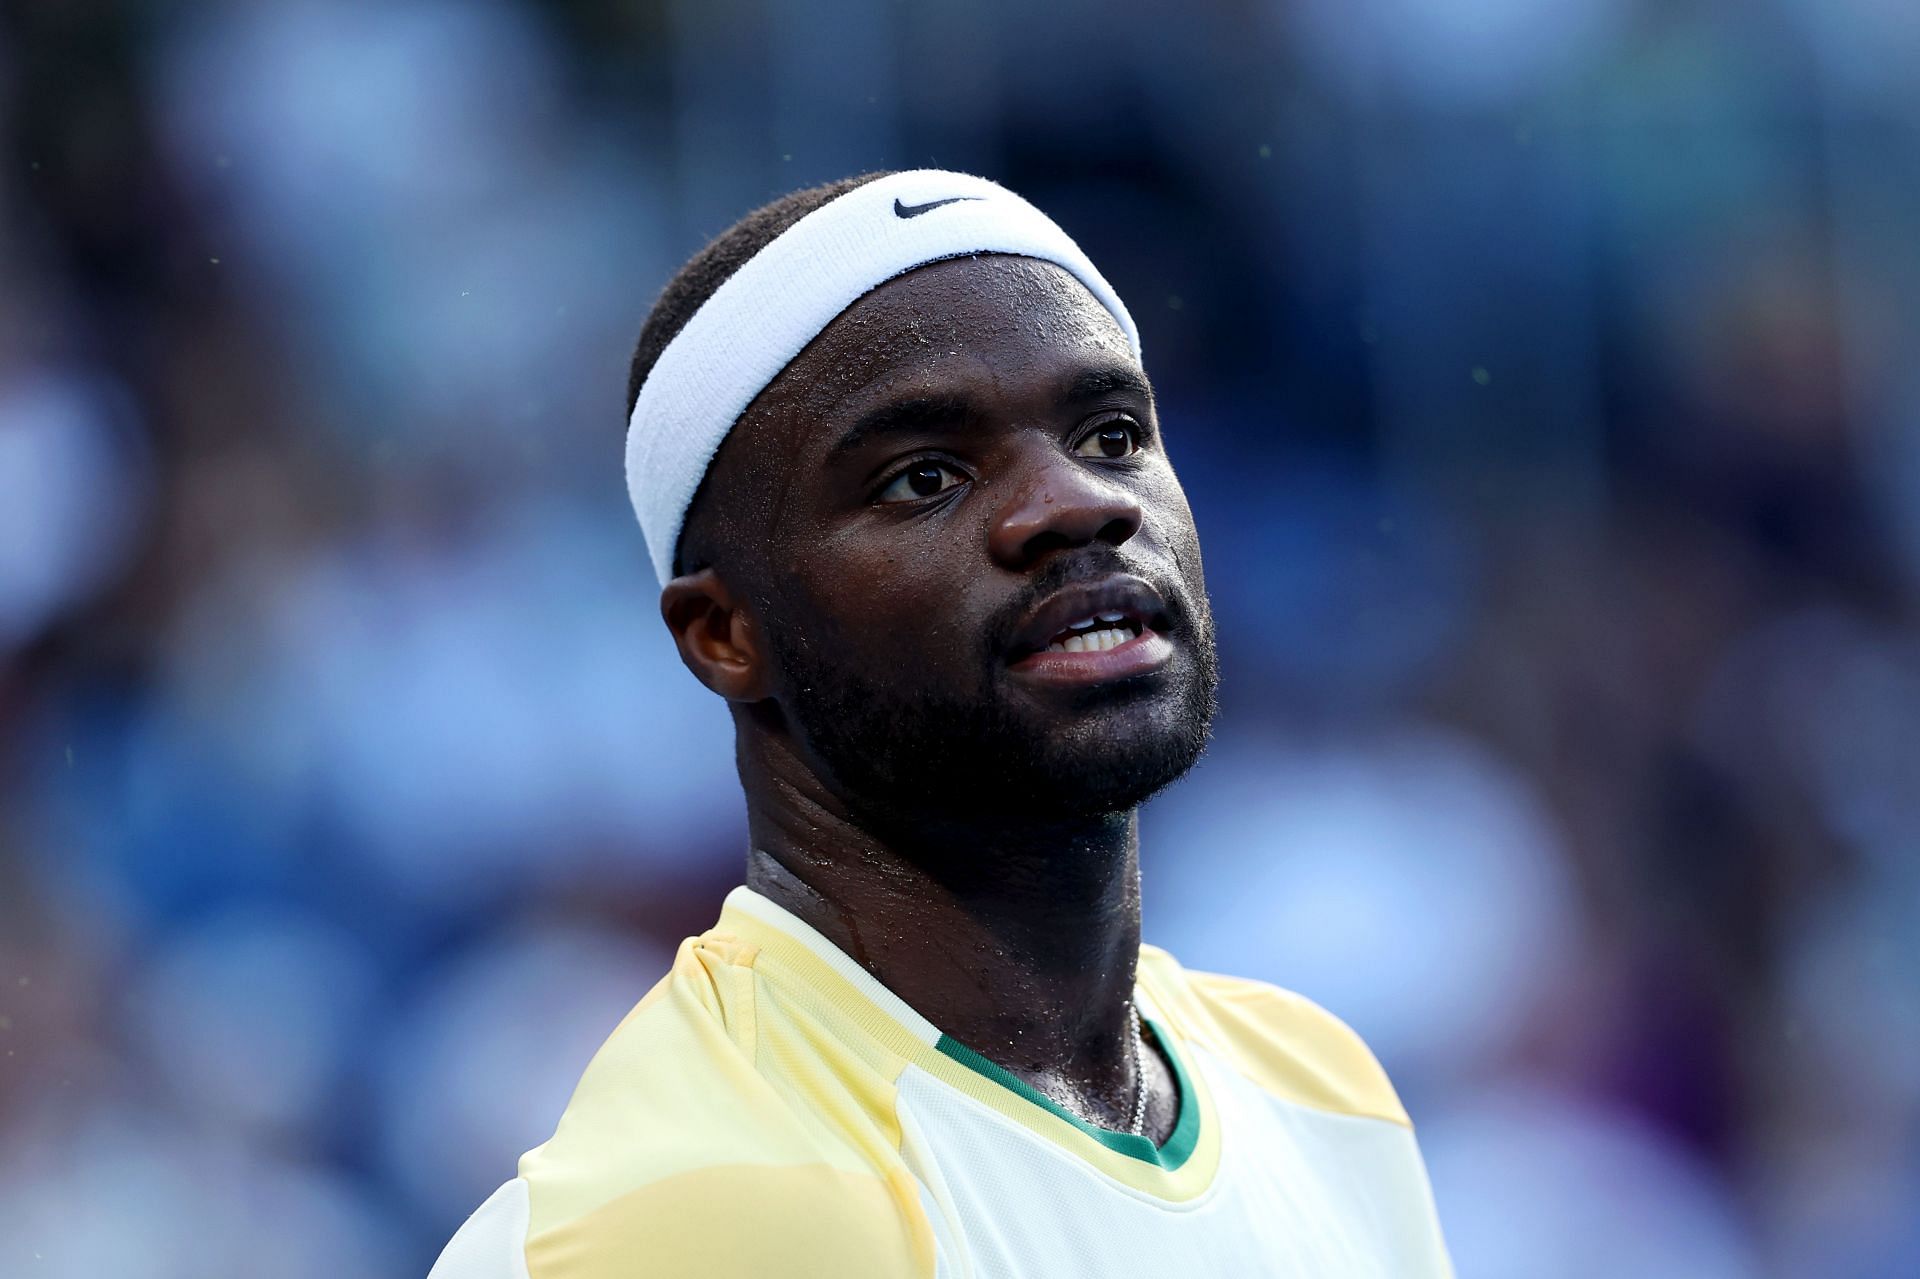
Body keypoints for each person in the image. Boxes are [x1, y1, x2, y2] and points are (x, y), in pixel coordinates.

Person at [429, 169, 1452, 1277]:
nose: (1078, 502)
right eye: (924, 477)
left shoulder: (1318, 1088)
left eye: (1111, 434)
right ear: (724, 631)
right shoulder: (686, 1211)